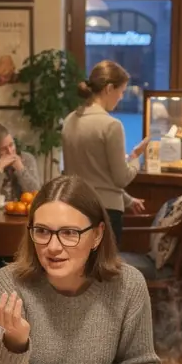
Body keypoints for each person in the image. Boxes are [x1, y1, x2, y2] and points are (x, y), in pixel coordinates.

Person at [0, 175, 160, 364]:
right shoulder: (6, 285)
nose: (53, 247)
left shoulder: (128, 284)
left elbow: (139, 361)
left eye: (69, 233)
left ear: (97, 234)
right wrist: (14, 344)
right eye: (42, 231)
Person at [61, 60, 149, 244]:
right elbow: (120, 179)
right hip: (105, 213)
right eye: (121, 91)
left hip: (74, 207)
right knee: (103, 270)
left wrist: (128, 200)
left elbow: (93, 175)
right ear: (109, 88)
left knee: (79, 269)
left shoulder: (70, 120)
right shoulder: (111, 125)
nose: (121, 97)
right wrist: (135, 158)